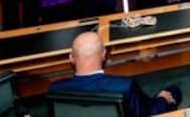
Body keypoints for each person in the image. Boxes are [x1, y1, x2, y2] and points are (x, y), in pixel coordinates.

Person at [49, 32, 181, 117]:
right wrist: (163, 98)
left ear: (71, 58)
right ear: (103, 54)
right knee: (173, 91)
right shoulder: (124, 86)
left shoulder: (55, 89)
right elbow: (146, 114)